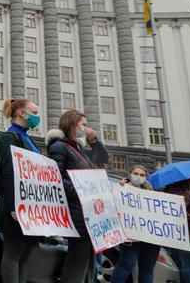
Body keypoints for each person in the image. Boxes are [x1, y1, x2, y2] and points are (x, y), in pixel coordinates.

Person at [48, 110, 109, 283]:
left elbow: (103, 158)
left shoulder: (79, 148)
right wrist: (82, 193)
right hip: (77, 213)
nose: (86, 128)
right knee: (77, 262)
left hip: (88, 214)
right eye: (83, 124)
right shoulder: (59, 147)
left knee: (89, 262)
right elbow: (56, 179)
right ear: (72, 124)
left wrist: (94, 142)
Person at [0, 98, 41, 283]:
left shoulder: (26, 138)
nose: (37, 117)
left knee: (25, 254)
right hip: (15, 207)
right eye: (34, 112)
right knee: (13, 253)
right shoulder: (9, 138)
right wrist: (14, 207)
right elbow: (9, 172)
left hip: (30, 206)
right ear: (21, 113)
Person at [111, 165, 161, 283]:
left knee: (147, 269)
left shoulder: (151, 193)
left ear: (146, 177)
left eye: (142, 175)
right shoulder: (121, 188)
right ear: (130, 174)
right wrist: (119, 187)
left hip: (150, 238)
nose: (138, 177)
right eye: (136, 173)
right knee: (127, 265)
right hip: (131, 237)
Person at [165, 177, 190, 283]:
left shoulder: (173, 193)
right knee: (189, 268)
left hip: (177, 236)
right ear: (189, 181)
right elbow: (180, 212)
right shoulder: (184, 195)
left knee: (184, 267)